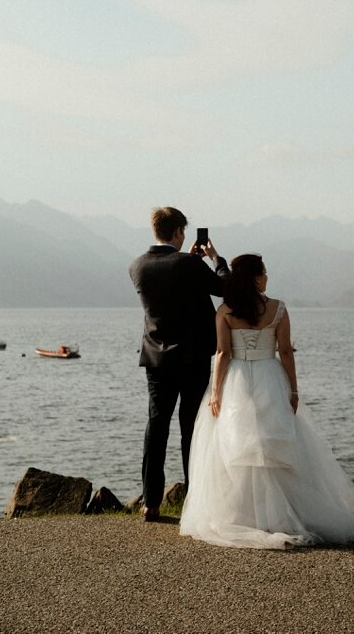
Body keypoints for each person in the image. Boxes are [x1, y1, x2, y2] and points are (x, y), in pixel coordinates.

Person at [180, 254, 354, 549]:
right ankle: (282, 514)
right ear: (256, 277)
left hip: (237, 380)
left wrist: (215, 392)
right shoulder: (278, 308)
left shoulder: (225, 310)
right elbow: (286, 352)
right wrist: (293, 390)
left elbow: (223, 354)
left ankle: (244, 515)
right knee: (273, 442)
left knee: (238, 445)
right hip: (270, 377)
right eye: (264, 273)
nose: (267, 277)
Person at [129, 207, 229, 522]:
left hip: (156, 359)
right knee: (191, 428)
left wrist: (190, 259)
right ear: (178, 232)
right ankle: (194, 500)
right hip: (192, 358)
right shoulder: (188, 265)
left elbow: (172, 282)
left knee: (156, 426)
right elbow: (224, 289)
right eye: (183, 232)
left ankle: (151, 502)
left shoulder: (137, 266)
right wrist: (216, 258)